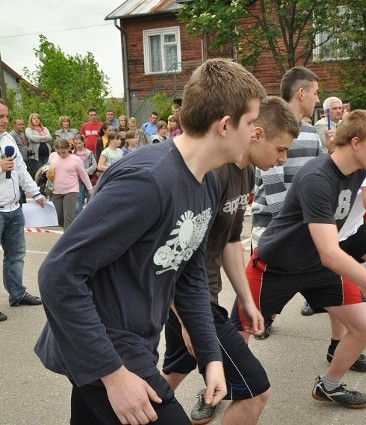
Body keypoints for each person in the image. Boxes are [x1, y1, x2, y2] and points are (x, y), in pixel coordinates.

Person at [34, 58, 267, 424]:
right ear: (225, 125)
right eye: (252, 122)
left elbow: (188, 274)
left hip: (129, 345)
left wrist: (211, 357)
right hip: (108, 349)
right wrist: (113, 374)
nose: (256, 133)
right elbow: (58, 273)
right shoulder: (148, 182)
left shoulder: (207, 182)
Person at [234, 110, 366, 409]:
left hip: (316, 267)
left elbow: (346, 221)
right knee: (238, 332)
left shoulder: (359, 173)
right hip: (276, 267)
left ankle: (329, 385)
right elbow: (330, 251)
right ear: (354, 142)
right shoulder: (316, 177)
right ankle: (215, 389)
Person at [162, 96, 299, 425]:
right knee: (255, 390)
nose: (282, 160)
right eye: (280, 149)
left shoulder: (247, 173)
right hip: (192, 298)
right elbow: (175, 257)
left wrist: (247, 301)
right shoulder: (216, 174)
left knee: (176, 370)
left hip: (195, 296)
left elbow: (230, 240)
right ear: (257, 134)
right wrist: (188, 320)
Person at [250, 66, 322, 338]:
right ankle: (260, 317)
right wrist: (290, 222)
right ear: (300, 93)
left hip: (301, 220)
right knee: (268, 277)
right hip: (273, 220)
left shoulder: (313, 134)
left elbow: (315, 179)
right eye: (315, 93)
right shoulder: (272, 127)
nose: (317, 99)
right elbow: (272, 181)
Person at [0, 98, 46, 322]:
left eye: (6, 116)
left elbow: (21, 171)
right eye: (1, 117)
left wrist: (35, 193)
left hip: (14, 209)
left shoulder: (8, 139)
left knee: (16, 255)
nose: (5, 120)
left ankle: (17, 294)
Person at [47, 138, 93, 230]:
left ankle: (67, 238)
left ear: (69, 148)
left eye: (63, 152)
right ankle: (69, 231)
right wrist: (47, 174)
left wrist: (90, 188)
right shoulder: (52, 156)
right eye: (59, 152)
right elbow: (48, 168)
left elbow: (83, 174)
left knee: (69, 217)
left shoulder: (76, 159)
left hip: (71, 190)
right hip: (55, 190)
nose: (61, 155)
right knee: (58, 216)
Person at [71, 134, 97, 217]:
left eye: (79, 143)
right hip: (76, 179)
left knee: (90, 196)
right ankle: (78, 216)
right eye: (76, 143)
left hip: (87, 178)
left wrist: (85, 171)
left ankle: (90, 215)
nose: (78, 145)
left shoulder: (89, 153)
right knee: (79, 198)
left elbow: (94, 165)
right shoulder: (72, 153)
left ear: (83, 142)